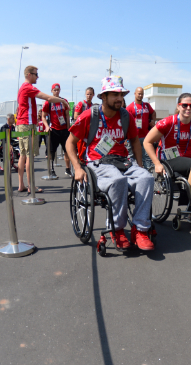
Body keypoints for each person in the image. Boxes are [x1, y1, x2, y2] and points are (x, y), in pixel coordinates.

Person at [66, 76, 156, 251]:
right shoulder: (89, 115)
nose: (119, 98)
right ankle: (117, 228)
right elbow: (70, 142)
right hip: (97, 162)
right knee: (117, 181)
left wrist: (139, 165)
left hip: (122, 161)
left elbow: (135, 141)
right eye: (114, 94)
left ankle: (140, 229)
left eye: (120, 94)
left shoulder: (125, 116)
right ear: (103, 97)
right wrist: (77, 168)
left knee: (146, 178)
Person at [144, 93, 191, 230]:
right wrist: (157, 163)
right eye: (185, 105)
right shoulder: (168, 122)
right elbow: (147, 142)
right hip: (169, 158)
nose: (188, 108)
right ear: (179, 106)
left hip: (189, 156)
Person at [17, 66, 69, 193]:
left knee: (23, 155)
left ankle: (21, 185)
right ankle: (31, 186)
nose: (37, 77)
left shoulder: (22, 88)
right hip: (28, 124)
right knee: (29, 156)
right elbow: (48, 98)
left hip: (22, 123)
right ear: (29, 75)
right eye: (35, 74)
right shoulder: (28, 87)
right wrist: (63, 101)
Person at [42, 83, 72, 177]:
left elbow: (67, 116)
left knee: (67, 150)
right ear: (51, 91)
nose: (56, 92)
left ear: (60, 91)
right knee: (52, 151)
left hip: (64, 130)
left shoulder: (64, 101)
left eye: (57, 90)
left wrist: (68, 128)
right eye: (54, 90)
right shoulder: (48, 102)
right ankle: (51, 169)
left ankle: (68, 169)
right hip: (53, 130)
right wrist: (47, 126)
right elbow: (43, 117)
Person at [126, 87, 156, 169]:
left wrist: (153, 120)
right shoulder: (130, 107)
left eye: (142, 94)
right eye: (139, 93)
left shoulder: (147, 105)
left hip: (145, 136)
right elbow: (125, 121)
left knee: (147, 157)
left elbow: (153, 112)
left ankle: (148, 175)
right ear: (135, 94)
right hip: (134, 137)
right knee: (132, 158)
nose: (140, 95)